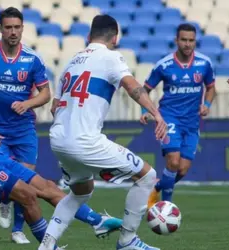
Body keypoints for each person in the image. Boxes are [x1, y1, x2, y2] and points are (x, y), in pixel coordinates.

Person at [0, 31, 123, 249]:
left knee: (45, 186)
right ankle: (48, 246)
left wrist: (28, 102)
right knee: (27, 195)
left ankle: (97, 221)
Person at [38, 15, 166, 250]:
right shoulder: (111, 57)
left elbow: (55, 106)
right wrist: (156, 114)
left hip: (58, 139)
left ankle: (47, 245)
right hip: (85, 141)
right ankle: (127, 241)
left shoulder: (71, 62)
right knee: (147, 176)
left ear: (89, 36)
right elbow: (132, 86)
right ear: (115, 38)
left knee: (80, 192)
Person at [0, 7, 50, 243]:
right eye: (8, 27)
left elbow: (46, 94)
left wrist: (28, 104)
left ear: (22, 29)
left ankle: (18, 230)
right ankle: (3, 200)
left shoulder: (32, 59)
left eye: (17, 27)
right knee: (9, 180)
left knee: (28, 181)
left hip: (23, 130)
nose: (13, 32)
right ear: (0, 29)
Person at [141, 23, 217, 208]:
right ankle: (166, 206)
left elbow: (211, 87)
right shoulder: (164, 65)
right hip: (169, 119)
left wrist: (206, 105)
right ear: (176, 40)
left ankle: (157, 188)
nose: (187, 44)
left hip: (192, 122)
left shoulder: (204, 63)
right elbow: (145, 89)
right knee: (173, 161)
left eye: (191, 40)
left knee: (182, 169)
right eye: (183, 40)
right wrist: (145, 111)